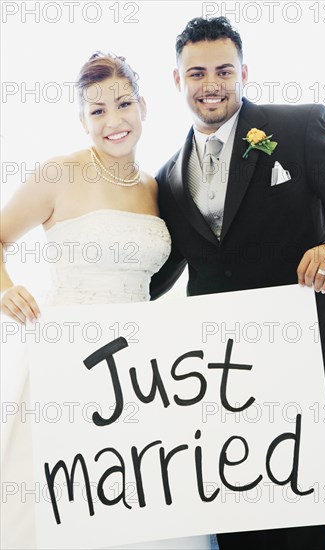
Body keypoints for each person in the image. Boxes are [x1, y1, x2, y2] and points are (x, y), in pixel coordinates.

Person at [150, 16, 325, 550]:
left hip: (297, 347)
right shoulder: (168, 176)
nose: (212, 84)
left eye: (224, 70)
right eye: (197, 73)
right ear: (178, 81)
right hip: (213, 365)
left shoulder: (295, 128)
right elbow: (164, 270)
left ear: (244, 71)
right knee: (231, 493)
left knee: (298, 491)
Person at [0, 52, 210, 550]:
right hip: (69, 355)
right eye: (97, 111)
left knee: (137, 491)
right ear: (82, 120)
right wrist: (7, 289)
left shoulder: (157, 189)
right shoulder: (58, 173)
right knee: (63, 495)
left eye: (123, 104)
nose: (113, 121)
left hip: (141, 367)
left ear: (143, 106)